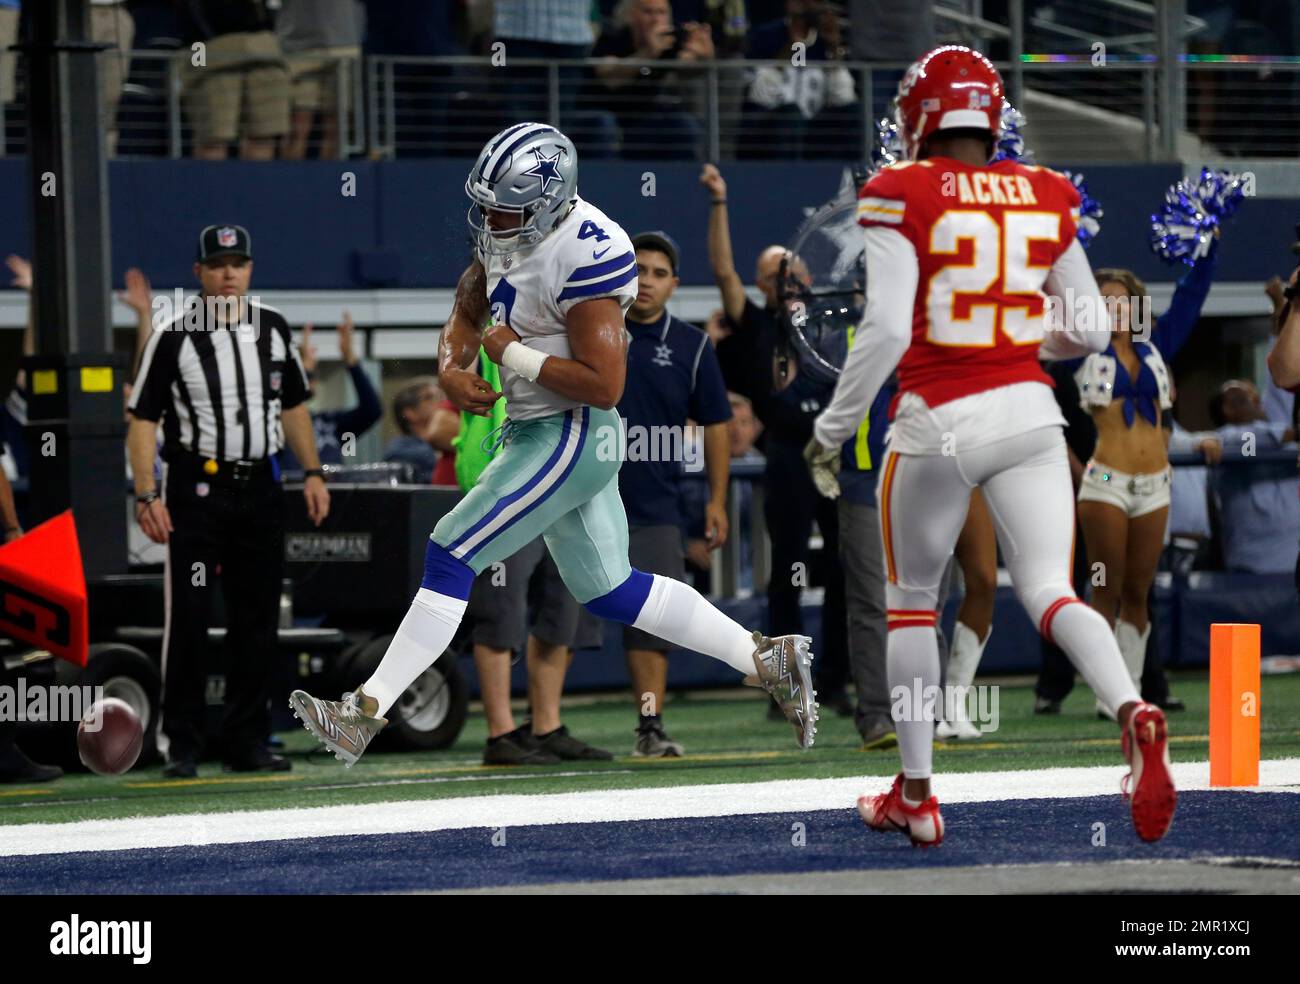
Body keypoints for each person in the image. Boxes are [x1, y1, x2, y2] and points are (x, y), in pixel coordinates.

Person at [289, 123, 818, 766]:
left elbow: (606, 385)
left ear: (547, 202)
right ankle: (767, 659)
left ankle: (363, 713)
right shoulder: (513, 232)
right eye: (485, 205)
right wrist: (454, 370)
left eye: (503, 208)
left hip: (569, 431)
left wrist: (509, 352)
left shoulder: (587, 252)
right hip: (546, 430)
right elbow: (466, 304)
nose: (489, 219)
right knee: (612, 589)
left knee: (450, 554)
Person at [803, 47, 1175, 846]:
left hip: (938, 418)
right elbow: (1084, 329)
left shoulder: (900, 189)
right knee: (1050, 590)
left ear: (918, 117)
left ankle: (918, 794)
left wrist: (832, 428)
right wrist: (1010, 338)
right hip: (1031, 416)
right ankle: (1133, 708)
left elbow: (892, 327)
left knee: (909, 605)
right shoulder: (1046, 193)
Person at [128, 223, 330, 778]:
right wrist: (146, 491)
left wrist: (312, 471)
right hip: (196, 490)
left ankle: (248, 739)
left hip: (259, 488)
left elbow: (293, 406)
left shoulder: (272, 328)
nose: (228, 274)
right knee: (189, 618)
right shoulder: (173, 335)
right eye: (217, 265)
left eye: (238, 264)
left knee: (257, 617)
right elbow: (142, 418)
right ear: (198, 273)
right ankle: (184, 744)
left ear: (249, 270)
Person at [701, 161, 851, 716]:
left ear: (808, 279)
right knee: (785, 570)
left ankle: (836, 681)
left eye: (794, 270)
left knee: (843, 568)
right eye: (775, 273)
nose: (787, 278)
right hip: (788, 452)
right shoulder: (755, 323)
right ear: (762, 286)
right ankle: (787, 687)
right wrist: (720, 204)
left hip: (835, 451)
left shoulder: (833, 324)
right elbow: (721, 271)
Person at [616, 230, 732, 756]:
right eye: (638, 268)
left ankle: (649, 726)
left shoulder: (692, 345)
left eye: (659, 273)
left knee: (653, 620)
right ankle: (543, 725)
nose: (646, 281)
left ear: (674, 284)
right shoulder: (591, 329)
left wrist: (715, 500)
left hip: (655, 504)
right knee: (562, 621)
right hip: (576, 496)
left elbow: (717, 425)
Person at [588, 0, 714, 159]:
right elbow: (608, 75)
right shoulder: (613, 38)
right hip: (608, 117)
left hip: (645, 121)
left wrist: (705, 57)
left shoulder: (667, 43)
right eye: (648, 12)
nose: (656, 19)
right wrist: (648, 54)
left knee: (684, 124)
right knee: (605, 124)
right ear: (631, 16)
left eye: (661, 13)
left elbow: (688, 66)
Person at [178, 0, 291, 160]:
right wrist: (202, 53)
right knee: (213, 138)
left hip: (262, 48)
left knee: (264, 135)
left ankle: (255, 185)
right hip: (205, 49)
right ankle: (210, 185)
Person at [1208, 379, 1300, 574]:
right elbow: (1253, 442)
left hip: (1293, 559)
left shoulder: (1283, 441)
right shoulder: (1226, 438)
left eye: (1256, 397)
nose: (1256, 401)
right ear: (1228, 410)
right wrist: (1291, 433)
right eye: (1245, 399)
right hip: (1253, 564)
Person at [278, 312, 383, 471]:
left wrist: (350, 359)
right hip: (293, 492)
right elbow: (287, 405)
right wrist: (301, 370)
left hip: (332, 492)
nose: (312, 380)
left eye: (313, 374)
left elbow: (372, 410)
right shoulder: (275, 420)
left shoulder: (328, 422)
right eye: (308, 375)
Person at [276, 0, 364, 160]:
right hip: (298, 47)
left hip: (344, 44)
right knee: (296, 127)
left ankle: (329, 183)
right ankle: (289, 182)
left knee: (337, 128)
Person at [382, 378, 449, 483]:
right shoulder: (399, 452)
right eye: (430, 397)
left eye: (442, 396)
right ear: (410, 413)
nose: (443, 401)